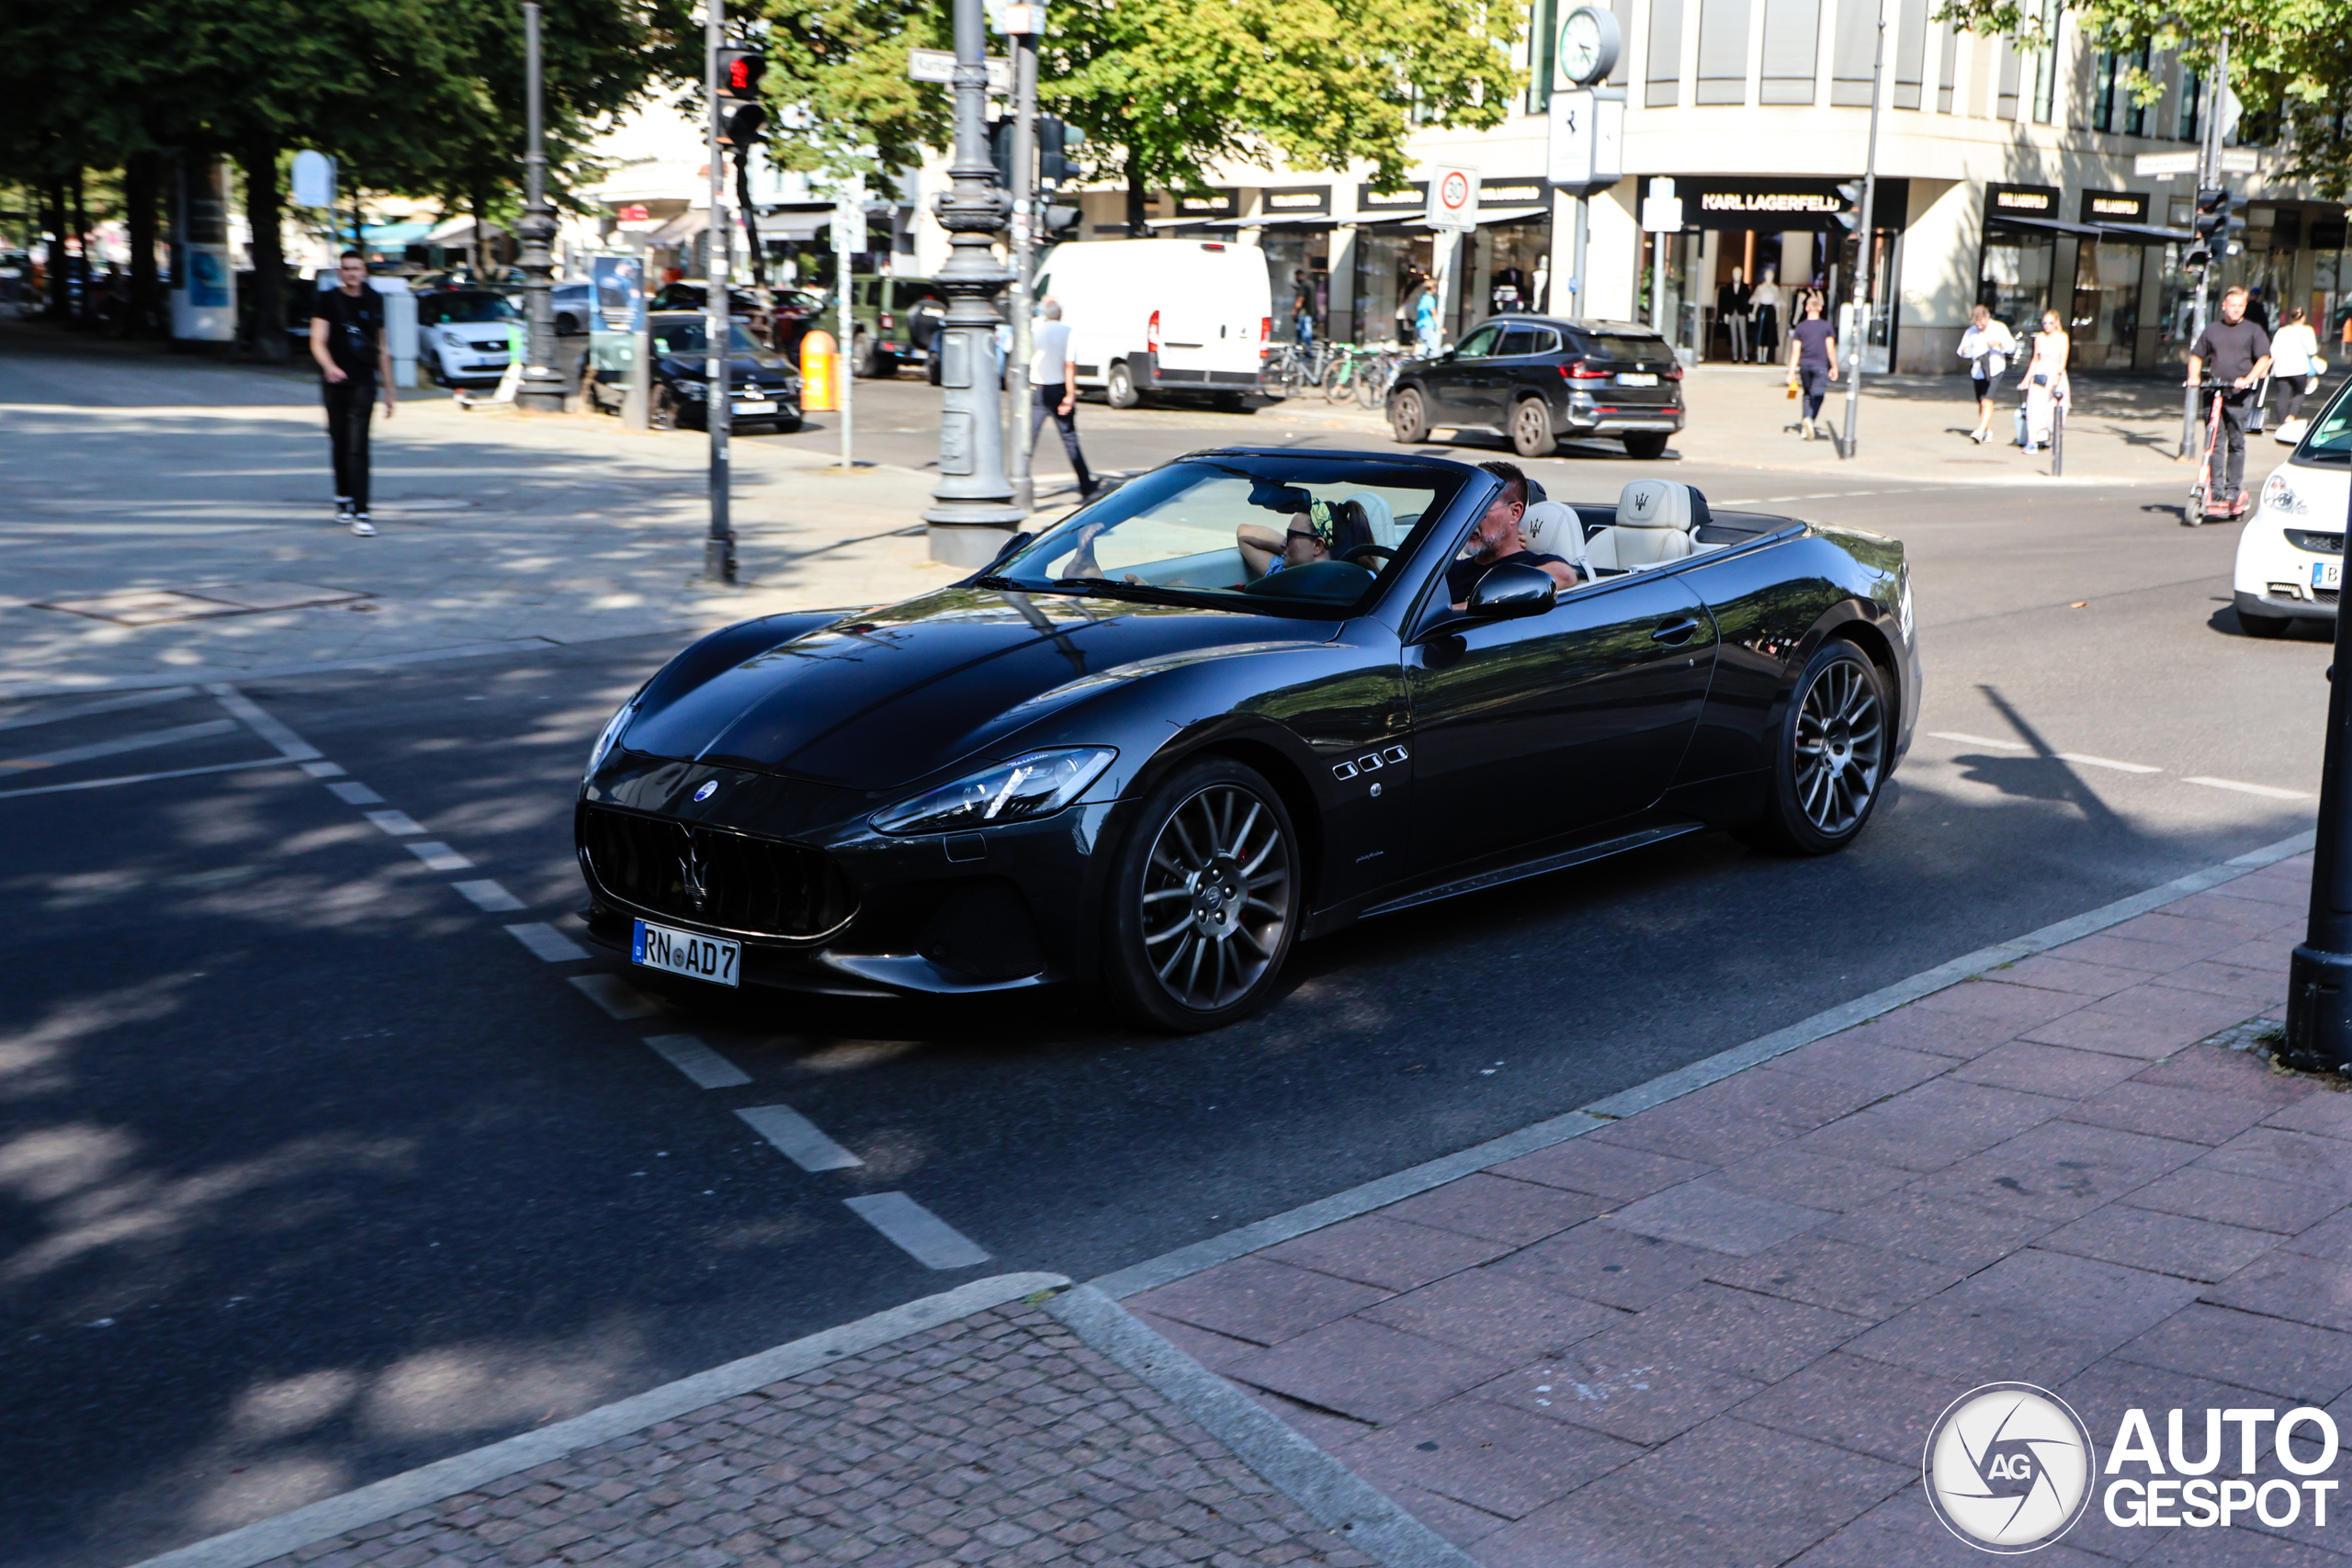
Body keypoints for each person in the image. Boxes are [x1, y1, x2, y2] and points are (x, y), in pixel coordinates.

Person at [308, 250, 393, 536]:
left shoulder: (375, 300)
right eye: (346, 269)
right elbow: (317, 341)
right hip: (335, 383)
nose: (352, 273)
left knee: (359, 447)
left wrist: (390, 391)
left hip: (363, 383)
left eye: (356, 268)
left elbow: (382, 348)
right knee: (340, 441)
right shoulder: (328, 299)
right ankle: (343, 497)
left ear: (365, 270)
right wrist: (329, 366)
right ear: (339, 272)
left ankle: (362, 512)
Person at [2187, 285, 2274, 518]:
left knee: (2236, 442)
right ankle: (2215, 490)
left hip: (2239, 394)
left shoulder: (2253, 330)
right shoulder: (2212, 330)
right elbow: (2197, 356)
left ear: (2244, 307)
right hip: (2214, 391)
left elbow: (2264, 358)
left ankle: (2232, 490)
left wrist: (2248, 379)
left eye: (2240, 306)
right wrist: (2194, 377)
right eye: (2231, 305)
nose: (2235, 310)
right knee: (2214, 441)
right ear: (2223, 306)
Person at [1446, 460, 1580, 607]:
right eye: (1467, 507)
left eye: (1481, 508)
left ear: (1515, 513)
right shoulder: (1448, 570)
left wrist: (1464, 608)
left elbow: (1565, 575)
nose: (1471, 518)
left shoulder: (1530, 565)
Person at [1029, 298, 1095, 500]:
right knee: (1069, 437)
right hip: (1057, 389)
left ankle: (1017, 479)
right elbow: (1069, 365)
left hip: (1036, 387)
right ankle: (1085, 484)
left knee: (1029, 438)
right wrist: (1070, 394)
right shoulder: (1068, 332)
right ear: (1060, 314)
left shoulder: (1035, 331)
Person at [1237, 496, 1376, 581]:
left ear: (1318, 546)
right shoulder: (1285, 574)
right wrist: (1292, 549)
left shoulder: (1361, 583)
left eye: (1291, 536)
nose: (1282, 543)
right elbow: (1245, 533)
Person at [1957, 303, 2017, 445]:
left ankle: (1979, 431)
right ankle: (1987, 430)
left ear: (1987, 318)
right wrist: (1965, 351)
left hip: (1995, 368)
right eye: (1976, 323)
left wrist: (1998, 345)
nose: (1979, 326)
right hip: (1978, 370)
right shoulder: (1971, 332)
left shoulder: (1999, 328)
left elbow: (2011, 347)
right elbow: (1961, 350)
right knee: (1981, 401)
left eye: (1981, 322)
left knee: (1987, 400)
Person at [1785, 293, 1837, 440]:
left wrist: (1791, 373)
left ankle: (1805, 424)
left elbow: (1795, 352)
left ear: (1806, 308)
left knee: (1807, 394)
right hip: (1820, 365)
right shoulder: (1826, 326)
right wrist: (1834, 366)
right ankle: (1810, 419)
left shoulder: (1800, 327)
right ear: (1820, 308)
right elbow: (1830, 349)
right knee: (1819, 395)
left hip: (1805, 366)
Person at [2270, 306, 2324, 441]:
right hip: (2300, 368)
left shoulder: (2281, 331)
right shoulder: (2308, 330)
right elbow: (2312, 350)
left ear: (2291, 318)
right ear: (2304, 318)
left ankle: (2283, 423)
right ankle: (2291, 416)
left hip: (2281, 368)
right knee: (2300, 393)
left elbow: (2273, 351)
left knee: (2283, 394)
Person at [2020, 310, 2070, 451]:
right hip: (2040, 375)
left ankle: (2055, 438)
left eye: (2050, 322)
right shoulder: (2040, 337)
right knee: (2034, 407)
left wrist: (2058, 375)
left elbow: (2063, 360)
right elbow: (2035, 360)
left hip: (2055, 375)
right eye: (2044, 323)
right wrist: (2026, 379)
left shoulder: (2062, 337)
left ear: (2057, 323)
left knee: (2053, 409)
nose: (2047, 325)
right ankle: (2032, 441)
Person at [1415, 280, 1442, 357]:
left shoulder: (1423, 298)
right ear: (1433, 288)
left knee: (1423, 346)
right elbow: (1434, 313)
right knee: (1433, 347)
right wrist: (1440, 326)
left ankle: (1419, 361)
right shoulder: (1430, 299)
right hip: (1428, 325)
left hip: (1420, 325)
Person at [1292, 270, 1316, 346]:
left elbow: (1301, 298)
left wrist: (1295, 310)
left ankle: (1302, 348)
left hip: (1303, 313)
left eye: (1296, 276)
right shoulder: (1311, 284)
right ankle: (1307, 348)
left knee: (1302, 331)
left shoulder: (1303, 285)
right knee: (1307, 331)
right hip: (1310, 312)